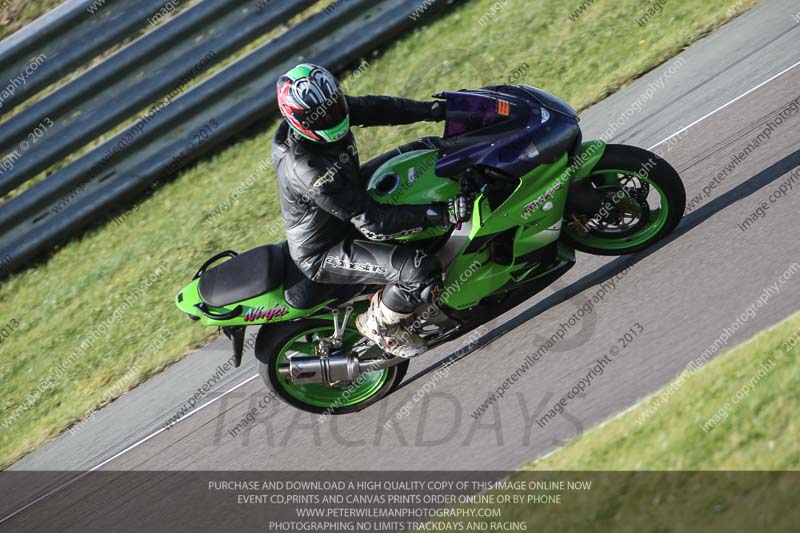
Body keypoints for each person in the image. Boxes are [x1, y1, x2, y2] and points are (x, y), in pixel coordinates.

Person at [272, 63, 471, 358]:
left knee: (428, 149)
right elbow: (373, 223)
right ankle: (379, 326)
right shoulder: (307, 169)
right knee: (420, 270)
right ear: (298, 120)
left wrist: (433, 111)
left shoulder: (325, 108)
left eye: (335, 107)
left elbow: (378, 108)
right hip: (326, 248)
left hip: (349, 195)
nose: (333, 117)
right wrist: (443, 213)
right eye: (324, 115)